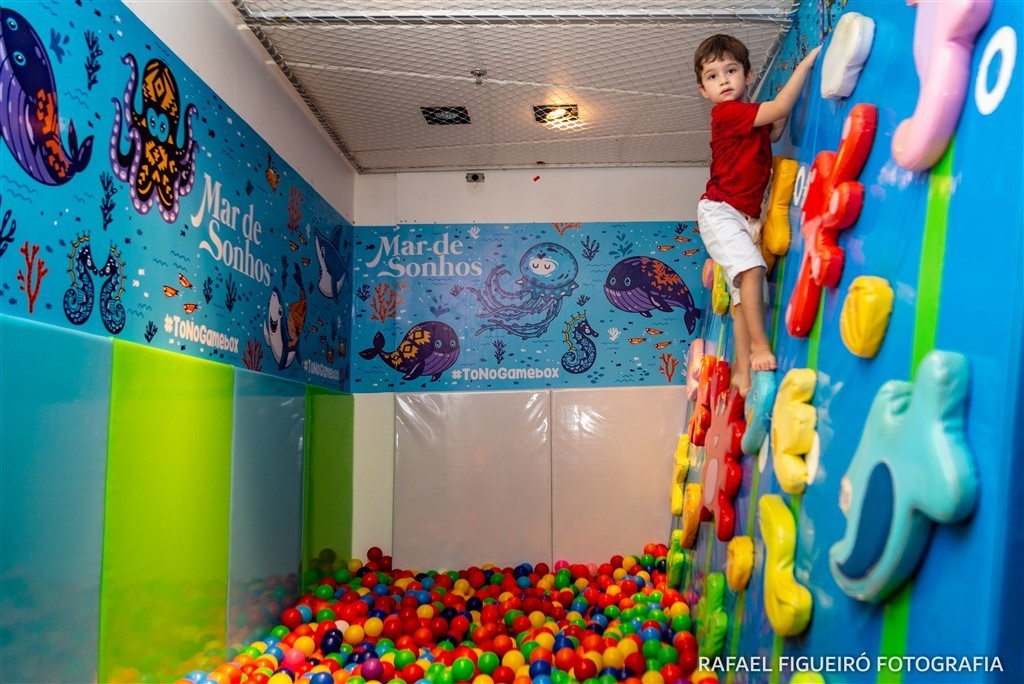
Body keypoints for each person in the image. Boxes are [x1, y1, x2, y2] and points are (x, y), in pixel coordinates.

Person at [693, 34, 821, 397]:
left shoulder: (748, 116)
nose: (724, 81)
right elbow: (780, 109)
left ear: (748, 75)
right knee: (752, 271)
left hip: (743, 215)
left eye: (731, 70)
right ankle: (760, 347)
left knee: (739, 301)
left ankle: (742, 373)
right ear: (703, 89)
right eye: (713, 76)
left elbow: (774, 126)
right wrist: (806, 64)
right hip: (720, 212)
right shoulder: (726, 113)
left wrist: (772, 120)